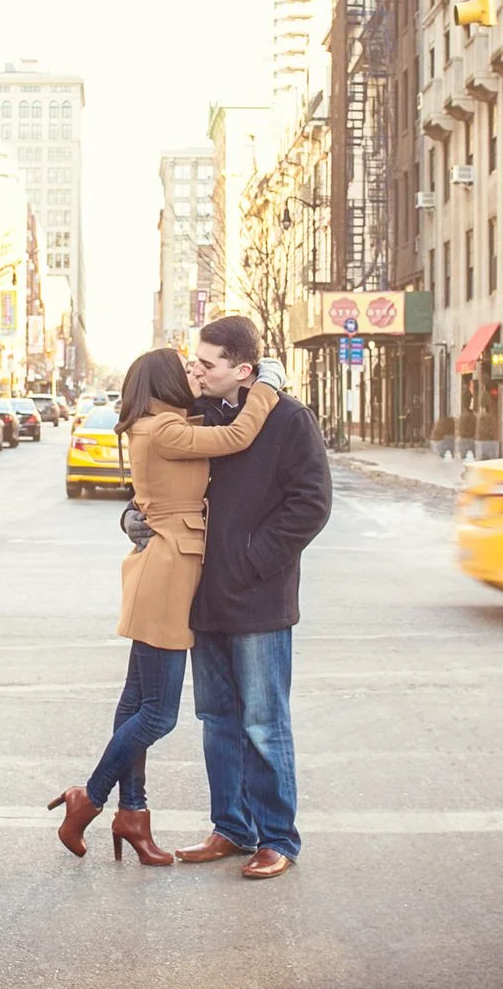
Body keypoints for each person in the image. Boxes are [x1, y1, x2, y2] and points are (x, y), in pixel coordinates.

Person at [49, 351, 279, 866]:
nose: (193, 375)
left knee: (135, 702)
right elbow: (236, 437)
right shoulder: (163, 430)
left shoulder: (163, 425)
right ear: (167, 381)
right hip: (168, 573)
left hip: (165, 566)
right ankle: (88, 797)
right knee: (158, 713)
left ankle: (134, 814)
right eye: (187, 370)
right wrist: (266, 387)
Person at [124, 316, 330, 880]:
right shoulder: (194, 417)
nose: (195, 369)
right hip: (200, 597)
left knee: (264, 722)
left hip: (259, 599)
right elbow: (154, 487)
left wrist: (250, 560)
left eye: (206, 363)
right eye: (194, 361)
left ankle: (277, 838)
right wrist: (135, 518)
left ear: (243, 370)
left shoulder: (289, 420)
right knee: (217, 717)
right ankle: (232, 828)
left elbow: (310, 505)